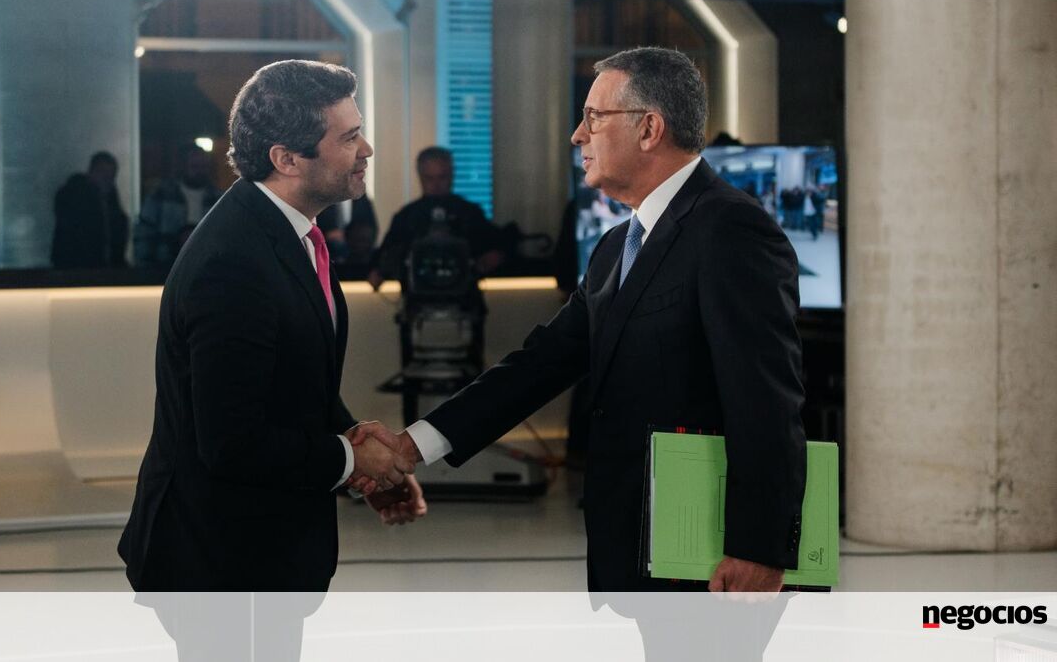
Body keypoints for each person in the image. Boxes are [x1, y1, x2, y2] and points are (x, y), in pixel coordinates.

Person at [353, 47, 806, 594]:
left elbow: (765, 400)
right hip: (643, 541)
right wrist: (411, 445)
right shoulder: (616, 246)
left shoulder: (730, 229)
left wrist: (758, 546)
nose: (577, 135)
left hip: (712, 551)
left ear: (649, 129)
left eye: (594, 117)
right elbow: (541, 364)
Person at [118, 60, 426, 593]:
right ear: (286, 159)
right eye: (349, 137)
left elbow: (292, 385)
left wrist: (357, 449)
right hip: (219, 560)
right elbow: (232, 442)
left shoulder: (283, 234)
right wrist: (353, 458)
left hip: (261, 548)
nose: (367, 149)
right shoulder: (233, 262)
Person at [367, 146, 505, 290]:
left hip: (463, 297)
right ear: (420, 177)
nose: (436, 184)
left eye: (442, 177)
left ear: (451, 176)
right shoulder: (407, 217)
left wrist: (493, 256)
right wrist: (378, 270)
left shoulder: (469, 214)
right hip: (419, 298)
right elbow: (385, 255)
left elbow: (500, 246)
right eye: (429, 178)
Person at [133, 144, 222, 269]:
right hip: (165, 266)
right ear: (183, 166)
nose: (200, 171)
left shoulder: (218, 199)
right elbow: (144, 231)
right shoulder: (161, 195)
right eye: (194, 166)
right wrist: (145, 265)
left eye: (204, 166)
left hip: (205, 267)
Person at [51, 151, 129, 268]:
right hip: (76, 270)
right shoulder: (74, 197)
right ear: (91, 173)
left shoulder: (111, 204)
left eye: (111, 175)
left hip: (99, 271)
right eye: (102, 172)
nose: (107, 179)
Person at [317, 194, 378, 279]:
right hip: (327, 250)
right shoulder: (322, 195)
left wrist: (348, 237)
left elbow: (372, 228)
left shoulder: (361, 198)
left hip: (356, 254)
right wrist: (327, 235)